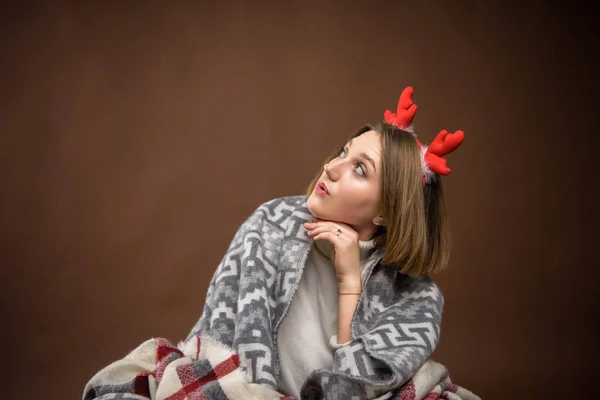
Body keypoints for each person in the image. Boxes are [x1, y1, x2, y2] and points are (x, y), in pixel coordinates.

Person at [185, 86, 466, 400]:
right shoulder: (269, 225)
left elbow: (352, 389)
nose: (331, 167)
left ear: (386, 213)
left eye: (360, 169)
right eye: (344, 153)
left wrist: (349, 283)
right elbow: (217, 343)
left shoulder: (415, 299)